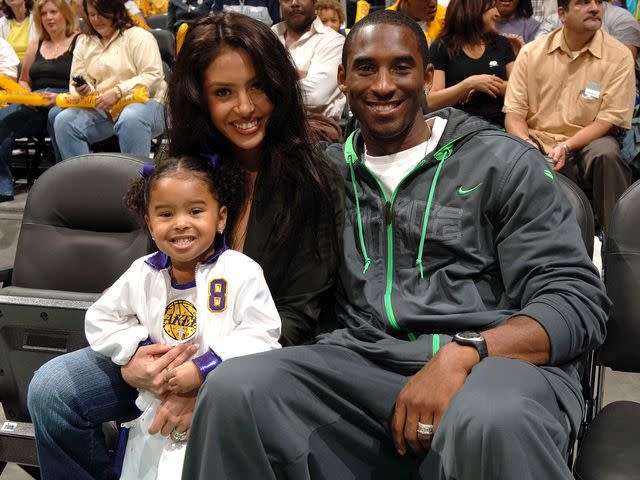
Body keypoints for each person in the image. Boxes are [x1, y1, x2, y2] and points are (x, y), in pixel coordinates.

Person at [182, 9, 609, 479]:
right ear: (343, 78)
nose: (383, 85)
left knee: (490, 417)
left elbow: (577, 301)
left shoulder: (503, 164)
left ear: (427, 76)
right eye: (366, 68)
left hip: (492, 366)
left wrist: (466, 352)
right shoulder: (325, 174)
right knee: (234, 390)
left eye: (401, 67)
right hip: (362, 366)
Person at [28, 12, 342, 479]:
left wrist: (211, 383)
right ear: (199, 99)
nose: (245, 107)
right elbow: (153, 274)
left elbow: (298, 316)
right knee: (51, 390)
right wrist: (135, 358)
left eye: (257, 87)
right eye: (223, 92)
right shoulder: (181, 166)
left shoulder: (315, 177)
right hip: (170, 354)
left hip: (260, 361)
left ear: (278, 85)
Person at [85, 155, 281, 479]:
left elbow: (263, 335)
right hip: (153, 411)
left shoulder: (240, 272)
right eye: (165, 214)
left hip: (219, 411)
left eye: (195, 211)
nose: (180, 223)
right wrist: (143, 350)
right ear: (149, 224)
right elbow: (101, 318)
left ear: (220, 219)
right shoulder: (143, 272)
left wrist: (203, 368)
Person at [504, 0, 634, 236]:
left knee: (607, 153)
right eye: (583, 3)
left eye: (597, 2)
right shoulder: (531, 53)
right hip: (538, 139)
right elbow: (514, 114)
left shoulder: (619, 56)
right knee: (508, 150)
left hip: (587, 141)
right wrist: (526, 143)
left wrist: (565, 146)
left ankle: (619, 243)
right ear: (562, 14)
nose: (595, 8)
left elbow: (608, 121)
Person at [53, 0, 166, 161]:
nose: (96, 20)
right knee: (63, 121)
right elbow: (75, 81)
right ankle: (82, 183)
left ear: (116, 11)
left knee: (130, 117)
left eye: (102, 14)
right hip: (103, 106)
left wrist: (119, 91)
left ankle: (137, 182)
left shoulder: (139, 37)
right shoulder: (85, 42)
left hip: (148, 103)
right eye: (92, 15)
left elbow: (153, 75)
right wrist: (85, 91)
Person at [0, 0, 78, 202]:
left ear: (65, 14)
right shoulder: (37, 43)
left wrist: (58, 99)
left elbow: (85, 79)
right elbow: (25, 79)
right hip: (35, 103)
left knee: (57, 115)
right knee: (2, 118)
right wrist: (24, 93)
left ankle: (67, 184)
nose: (49, 18)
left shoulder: (80, 40)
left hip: (66, 101)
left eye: (54, 12)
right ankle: (3, 186)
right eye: (44, 14)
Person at [428, 0, 515, 126]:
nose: (498, 14)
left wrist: (490, 84)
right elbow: (432, 102)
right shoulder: (441, 47)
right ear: (474, 10)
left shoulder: (502, 44)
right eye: (492, 8)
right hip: (458, 129)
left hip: (501, 127)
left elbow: (520, 91)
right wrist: (469, 84)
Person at [272, 0, 346, 121]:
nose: (294, 3)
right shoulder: (269, 37)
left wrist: (268, 82)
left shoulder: (334, 41)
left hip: (315, 130)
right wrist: (295, 74)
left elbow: (315, 96)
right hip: (269, 128)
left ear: (314, 1)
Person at [211, 0, 281, 26]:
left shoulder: (271, 1)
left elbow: (278, 27)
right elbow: (213, 24)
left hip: (260, 51)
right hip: (229, 49)